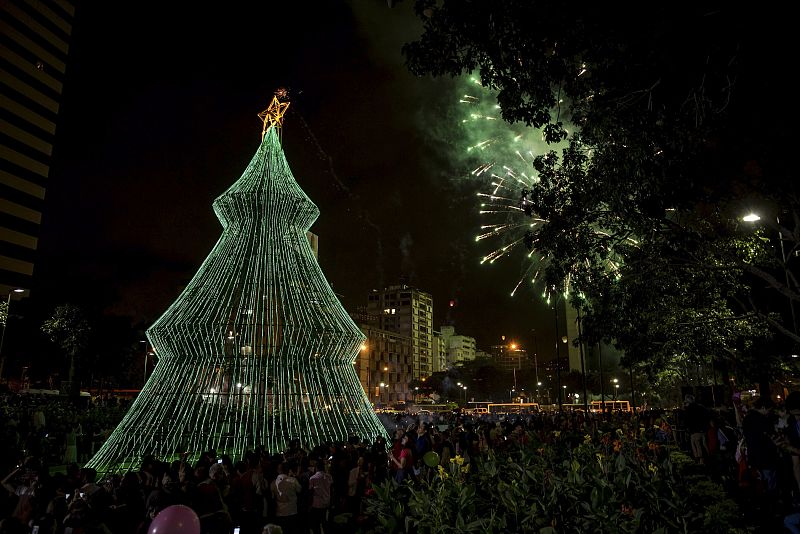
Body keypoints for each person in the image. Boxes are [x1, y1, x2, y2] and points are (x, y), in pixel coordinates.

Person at [271, 462, 301, 533]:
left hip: (280, 512)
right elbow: (299, 490)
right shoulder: (293, 480)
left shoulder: (273, 483)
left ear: (278, 470)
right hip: (292, 511)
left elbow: (272, 498)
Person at [683, 394, 710, 464]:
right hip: (703, 431)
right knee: (703, 446)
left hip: (694, 431)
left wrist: (687, 429)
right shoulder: (702, 407)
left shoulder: (688, 409)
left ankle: (700, 463)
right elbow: (707, 416)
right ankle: (706, 461)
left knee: (697, 447)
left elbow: (686, 421)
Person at [308, 460, 333, 534]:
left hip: (317, 503)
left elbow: (310, 491)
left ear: (316, 467)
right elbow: (331, 489)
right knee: (324, 521)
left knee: (316, 523)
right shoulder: (329, 476)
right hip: (326, 502)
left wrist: (309, 504)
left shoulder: (313, 478)